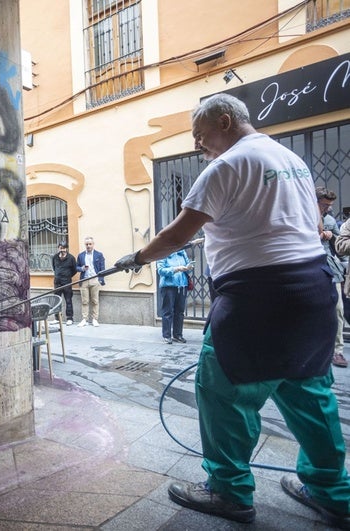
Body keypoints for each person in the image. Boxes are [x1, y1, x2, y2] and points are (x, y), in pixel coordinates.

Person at [115, 93, 350, 527]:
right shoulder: (289, 159)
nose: (198, 144)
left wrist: (140, 258)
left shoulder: (224, 165)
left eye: (200, 135)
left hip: (257, 298)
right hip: (313, 290)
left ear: (224, 121)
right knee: (308, 390)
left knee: (223, 391)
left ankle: (229, 491)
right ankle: (331, 488)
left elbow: (175, 234)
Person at [316, 186, 348, 368]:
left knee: (338, 309)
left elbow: (340, 244)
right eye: (324, 204)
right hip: (310, 267)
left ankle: (338, 351)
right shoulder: (303, 218)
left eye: (330, 205)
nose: (327, 208)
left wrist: (330, 236)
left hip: (330, 268)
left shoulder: (329, 220)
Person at [157, 250, 193, 344]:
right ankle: (167, 335)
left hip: (182, 285)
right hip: (168, 286)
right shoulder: (163, 251)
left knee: (180, 311)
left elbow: (187, 269)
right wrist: (176, 269)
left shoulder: (182, 252)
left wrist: (188, 268)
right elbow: (160, 270)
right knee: (168, 311)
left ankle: (178, 335)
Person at [76, 237, 105, 327]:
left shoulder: (99, 255)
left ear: (93, 244)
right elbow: (76, 267)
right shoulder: (81, 255)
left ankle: (94, 319)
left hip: (94, 279)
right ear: (85, 245)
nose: (88, 246)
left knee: (95, 301)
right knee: (84, 301)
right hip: (84, 280)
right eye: (87, 244)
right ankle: (84, 319)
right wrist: (82, 268)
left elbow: (102, 268)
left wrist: (100, 279)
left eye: (90, 244)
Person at [51, 241, 78, 325]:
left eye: (64, 248)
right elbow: (54, 268)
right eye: (60, 248)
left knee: (68, 300)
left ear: (66, 248)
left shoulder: (71, 258)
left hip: (67, 283)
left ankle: (70, 318)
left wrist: (68, 276)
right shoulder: (55, 257)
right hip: (57, 282)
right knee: (57, 301)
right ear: (58, 248)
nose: (62, 250)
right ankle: (57, 318)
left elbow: (75, 270)